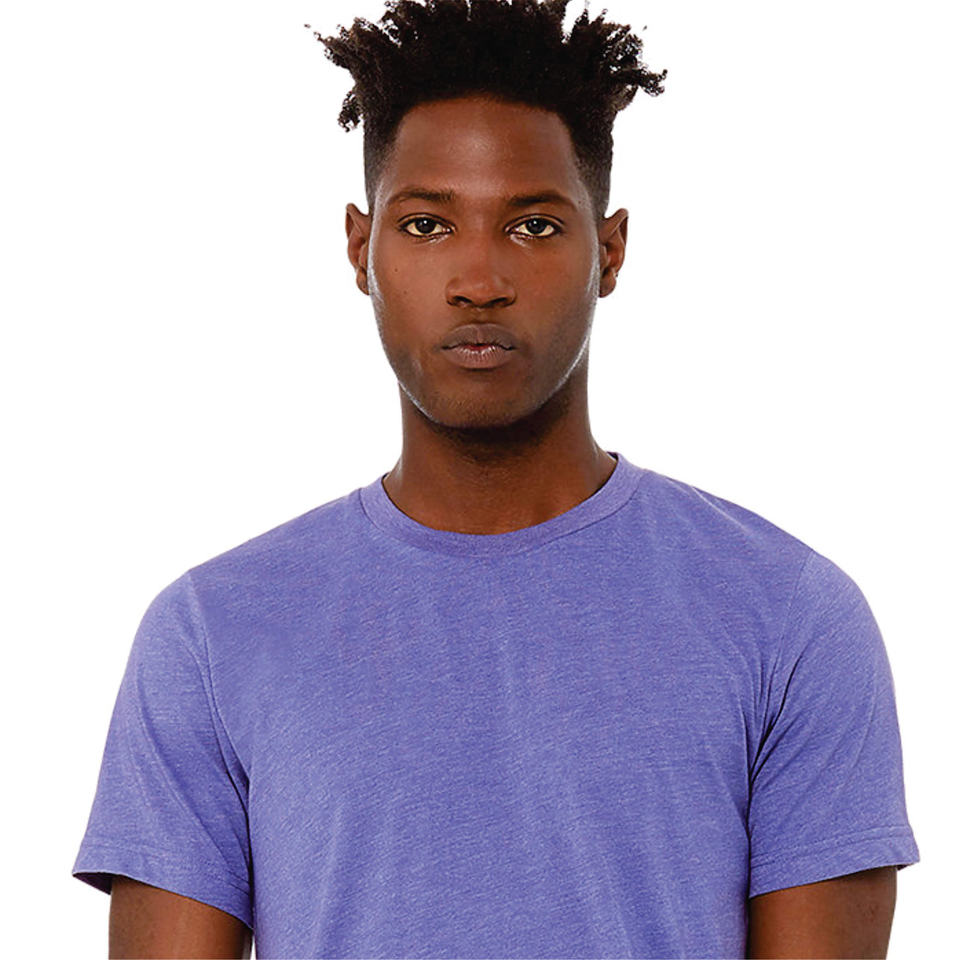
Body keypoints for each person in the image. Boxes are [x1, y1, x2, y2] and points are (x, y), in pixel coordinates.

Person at [71, 1, 919, 957]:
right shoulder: (212, 634)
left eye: (533, 225)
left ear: (610, 251)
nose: (478, 280)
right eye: (428, 224)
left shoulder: (789, 616)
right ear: (360, 249)